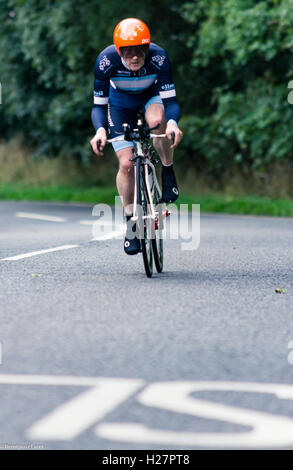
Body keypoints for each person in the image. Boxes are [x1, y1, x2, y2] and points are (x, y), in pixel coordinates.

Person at [90, 18, 183, 255]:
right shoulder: (105, 61)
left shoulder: (158, 58)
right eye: (128, 51)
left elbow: (170, 101)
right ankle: (131, 223)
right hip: (120, 104)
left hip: (150, 97)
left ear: (147, 47)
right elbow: (99, 106)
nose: (134, 56)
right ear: (118, 50)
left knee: (157, 123)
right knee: (126, 164)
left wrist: (172, 124)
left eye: (140, 50)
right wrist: (100, 130)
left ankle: (167, 169)